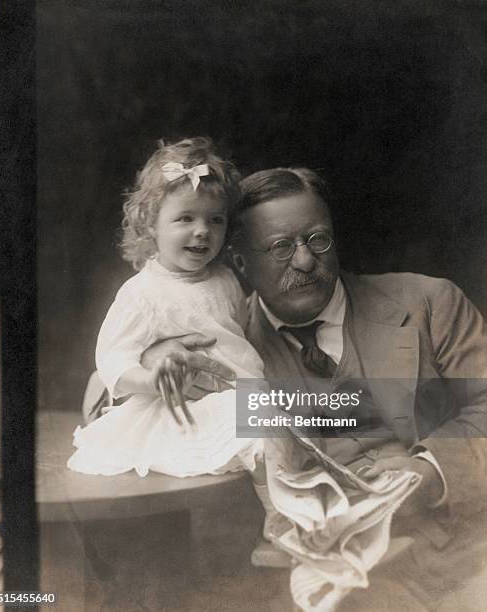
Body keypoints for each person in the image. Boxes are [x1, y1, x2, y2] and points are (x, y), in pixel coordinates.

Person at [143, 167, 487, 608]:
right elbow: (121, 412)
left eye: (317, 240)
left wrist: (431, 471)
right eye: (281, 248)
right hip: (314, 581)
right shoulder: (223, 351)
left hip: (461, 558)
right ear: (240, 262)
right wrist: (151, 363)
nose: (305, 261)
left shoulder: (429, 304)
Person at [67, 138, 280, 538]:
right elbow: (112, 358)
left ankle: (293, 513)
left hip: (238, 393)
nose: (202, 232)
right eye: (185, 218)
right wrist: (151, 379)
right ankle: (282, 521)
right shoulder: (143, 293)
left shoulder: (224, 278)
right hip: (187, 406)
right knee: (264, 437)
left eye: (215, 220)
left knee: (283, 431)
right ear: (151, 223)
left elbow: (237, 336)